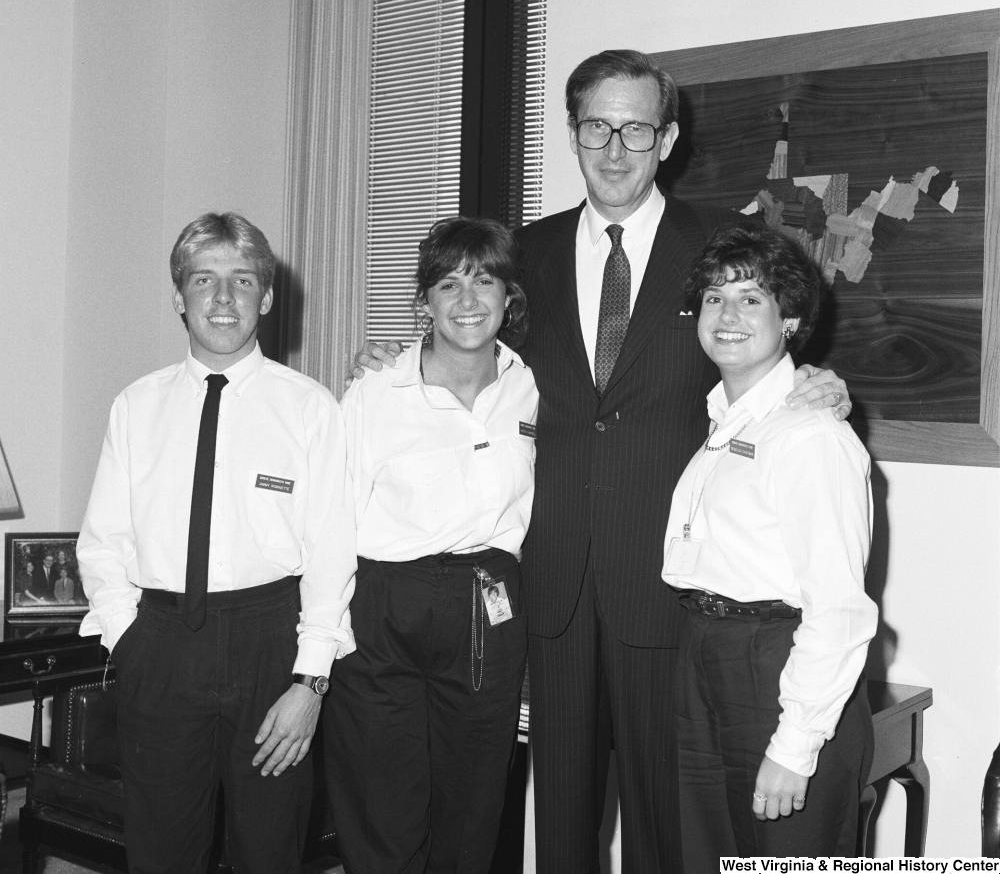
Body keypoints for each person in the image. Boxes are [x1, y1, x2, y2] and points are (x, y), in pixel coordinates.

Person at [354, 50, 851, 872]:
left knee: (668, 831)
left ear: (668, 138)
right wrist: (394, 357)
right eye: (596, 127)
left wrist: (823, 381)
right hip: (553, 590)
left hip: (665, 591)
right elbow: (473, 349)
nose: (615, 149)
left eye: (636, 129)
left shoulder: (721, 246)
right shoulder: (529, 255)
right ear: (574, 133)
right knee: (562, 829)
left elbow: (761, 349)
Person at [76, 212, 356, 874]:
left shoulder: (310, 409)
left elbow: (331, 555)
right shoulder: (135, 408)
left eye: (242, 280)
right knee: (162, 850)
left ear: (266, 296)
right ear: (179, 296)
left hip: (270, 643)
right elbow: (102, 542)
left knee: (268, 847)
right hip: (163, 643)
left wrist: (309, 683)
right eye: (204, 279)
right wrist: (132, 640)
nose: (223, 298)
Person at [325, 217, 537, 874]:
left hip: (486, 607)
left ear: (509, 298)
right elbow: (330, 521)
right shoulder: (373, 391)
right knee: (381, 807)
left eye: (485, 281)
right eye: (448, 284)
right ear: (423, 303)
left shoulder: (534, 385)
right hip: (385, 608)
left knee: (471, 813)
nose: (468, 299)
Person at [662, 224, 876, 865]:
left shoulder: (811, 436)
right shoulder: (723, 424)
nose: (726, 315)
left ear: (789, 319)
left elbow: (837, 607)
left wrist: (794, 747)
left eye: (750, 298)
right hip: (704, 657)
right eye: (713, 298)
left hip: (775, 670)